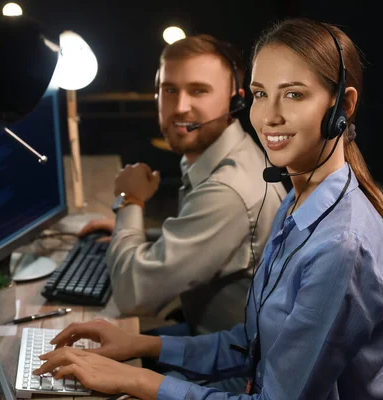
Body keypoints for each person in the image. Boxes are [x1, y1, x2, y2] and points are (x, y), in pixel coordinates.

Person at [33, 18, 383, 399]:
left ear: (342, 106)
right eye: (261, 95)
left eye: (294, 94)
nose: (269, 116)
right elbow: (253, 344)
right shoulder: (301, 202)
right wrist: (140, 347)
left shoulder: (341, 247)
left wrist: (136, 379)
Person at [79, 34, 286, 335]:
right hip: (208, 339)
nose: (180, 107)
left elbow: (131, 295)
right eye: (170, 90)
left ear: (235, 101)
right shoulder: (217, 156)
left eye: (199, 91)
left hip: (231, 370)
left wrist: (130, 201)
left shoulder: (228, 189)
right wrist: (140, 233)